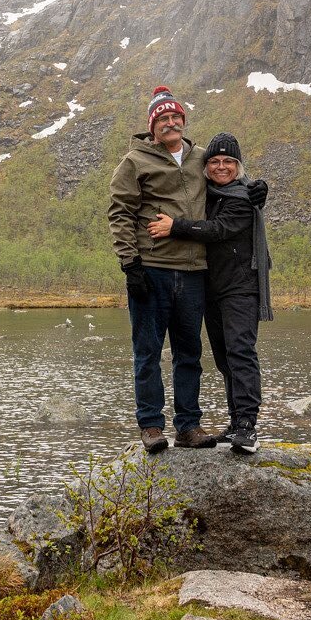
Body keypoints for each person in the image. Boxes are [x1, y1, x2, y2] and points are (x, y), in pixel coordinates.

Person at [107, 86, 217, 453]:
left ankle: (189, 426)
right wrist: (130, 264)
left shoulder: (201, 158)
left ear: (184, 121)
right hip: (151, 269)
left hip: (194, 270)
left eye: (176, 118)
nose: (170, 123)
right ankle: (152, 426)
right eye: (163, 119)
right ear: (152, 127)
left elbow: (227, 180)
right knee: (148, 352)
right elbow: (120, 212)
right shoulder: (135, 162)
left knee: (189, 353)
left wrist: (253, 192)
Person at [148, 132, 272, 455]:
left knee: (241, 353)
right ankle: (235, 420)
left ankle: (247, 426)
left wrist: (175, 226)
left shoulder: (244, 199)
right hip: (212, 289)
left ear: (238, 165)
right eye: (214, 161)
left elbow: (217, 231)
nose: (220, 167)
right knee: (224, 358)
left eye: (228, 161)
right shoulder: (209, 194)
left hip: (241, 288)